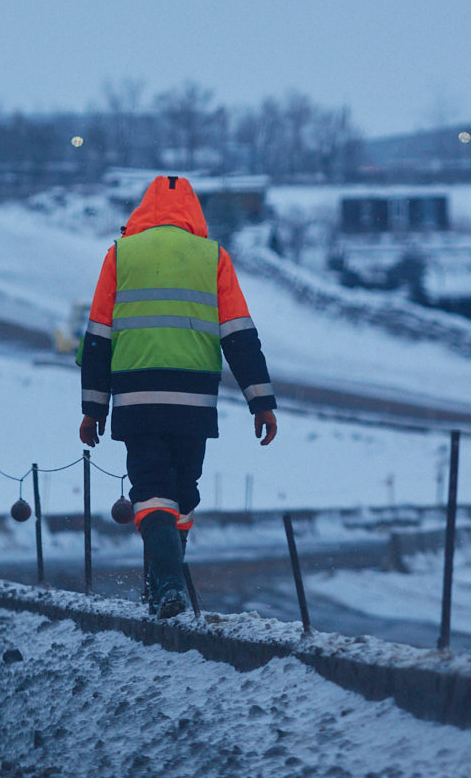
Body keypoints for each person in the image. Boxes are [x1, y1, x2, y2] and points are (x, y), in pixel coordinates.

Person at [77, 175, 277, 618]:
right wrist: (260, 401)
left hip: (136, 398)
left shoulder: (120, 254)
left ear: (143, 210)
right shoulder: (213, 257)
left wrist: (93, 409)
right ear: (193, 212)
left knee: (152, 492)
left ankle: (164, 587)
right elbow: (240, 336)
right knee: (182, 494)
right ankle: (163, 589)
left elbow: (97, 338)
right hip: (194, 400)